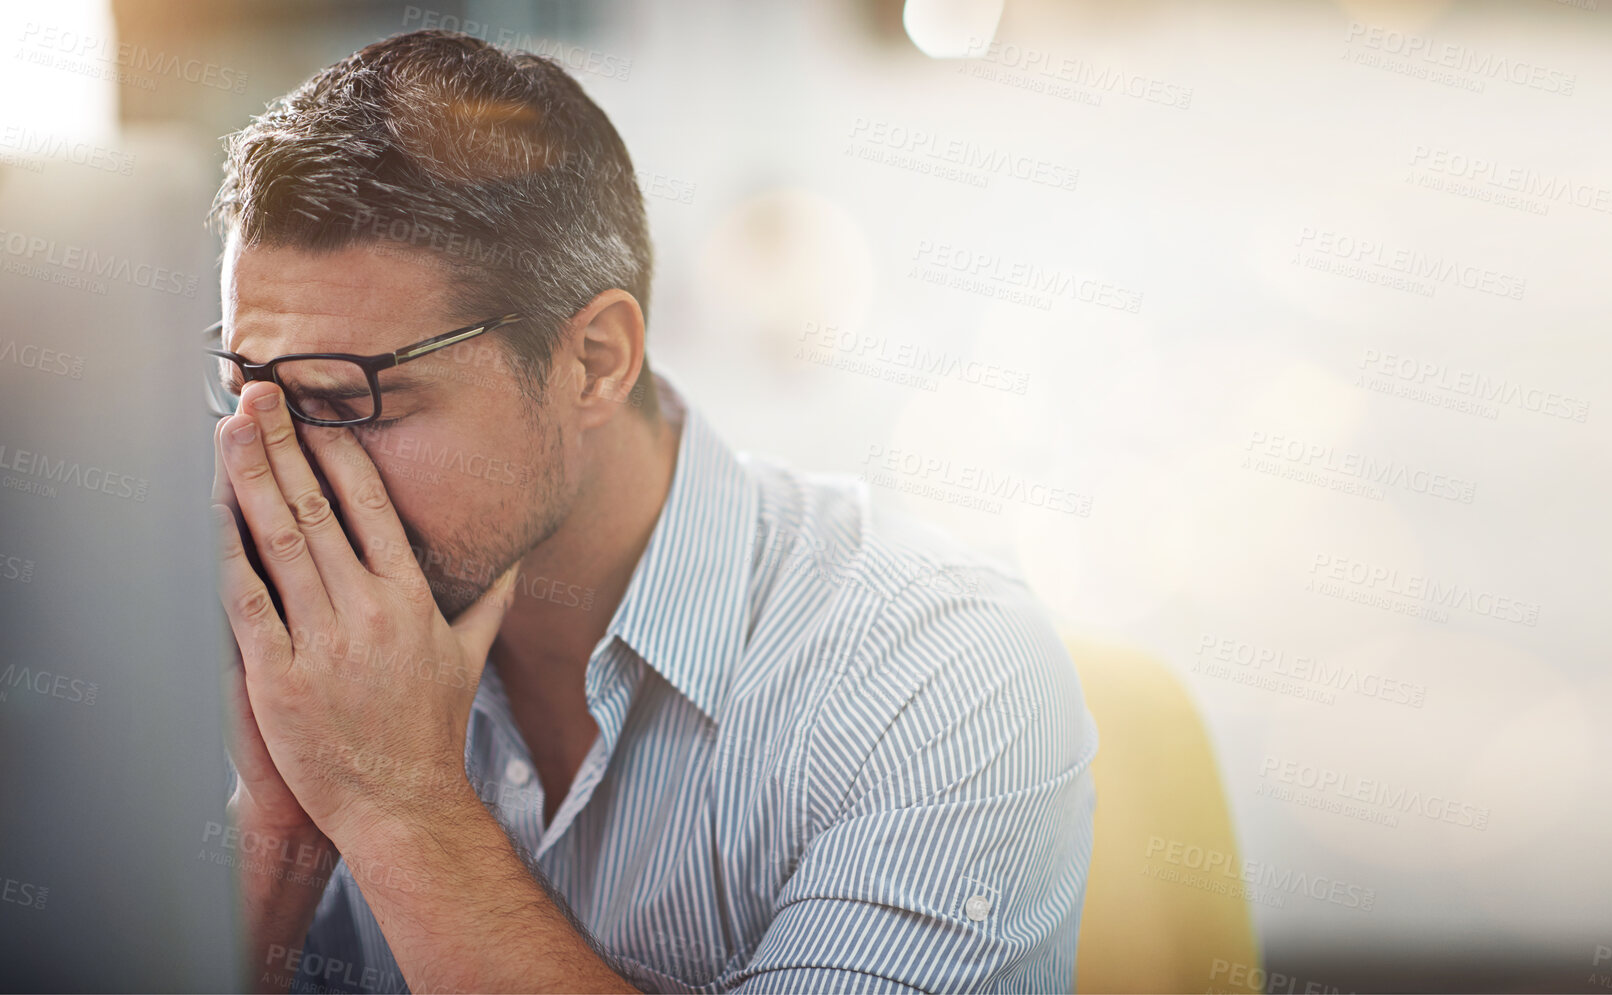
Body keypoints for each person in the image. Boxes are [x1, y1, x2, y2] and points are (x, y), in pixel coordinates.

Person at [205, 30, 1096, 994]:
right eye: (248, 391)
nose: (284, 472)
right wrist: (282, 826)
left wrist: (400, 803)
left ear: (593, 362)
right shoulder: (307, 678)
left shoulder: (940, 678)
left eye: (350, 401)